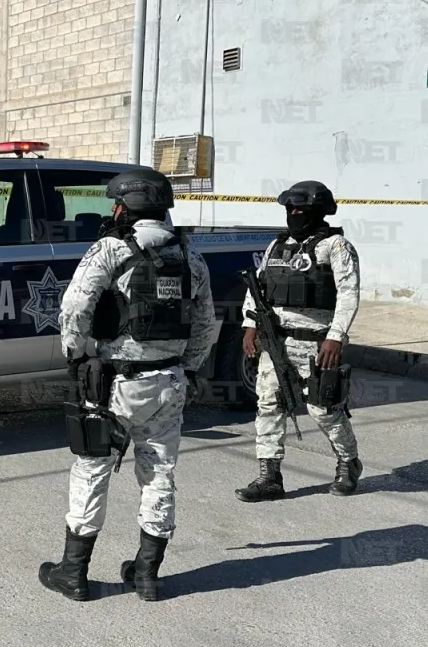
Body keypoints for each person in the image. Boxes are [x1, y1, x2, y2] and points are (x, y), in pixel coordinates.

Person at [38, 168, 217, 603]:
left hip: (115, 385)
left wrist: (76, 356)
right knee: (159, 475)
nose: (112, 210)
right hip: (170, 382)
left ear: (128, 205)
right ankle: (147, 575)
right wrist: (189, 369)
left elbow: (75, 306)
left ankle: (74, 573)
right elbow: (205, 323)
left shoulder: (111, 249)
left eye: (115, 203)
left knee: (92, 470)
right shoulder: (190, 257)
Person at [236, 180, 362, 502]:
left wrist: (336, 337)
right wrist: (250, 325)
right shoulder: (277, 246)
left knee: (323, 409)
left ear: (317, 211)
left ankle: (348, 462)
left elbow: (349, 294)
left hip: (315, 342)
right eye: (289, 208)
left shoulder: (335, 246)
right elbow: (259, 287)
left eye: (300, 209)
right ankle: (269, 476)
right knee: (268, 406)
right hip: (275, 341)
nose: (293, 214)